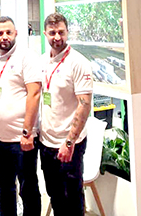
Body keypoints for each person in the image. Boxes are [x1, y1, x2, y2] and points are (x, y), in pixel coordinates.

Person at [0, 16, 42, 216]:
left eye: (9, 32)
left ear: (16, 33)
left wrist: (27, 132)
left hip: (22, 138)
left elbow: (34, 94)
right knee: (4, 187)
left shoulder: (27, 57)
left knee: (28, 188)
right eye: (0, 33)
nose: (4, 36)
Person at [39, 13, 93, 216]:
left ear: (67, 32)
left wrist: (69, 142)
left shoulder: (78, 62)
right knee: (55, 196)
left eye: (61, 32)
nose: (57, 37)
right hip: (46, 143)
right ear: (45, 33)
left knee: (72, 199)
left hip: (70, 144)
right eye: (52, 32)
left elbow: (84, 105)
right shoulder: (42, 61)